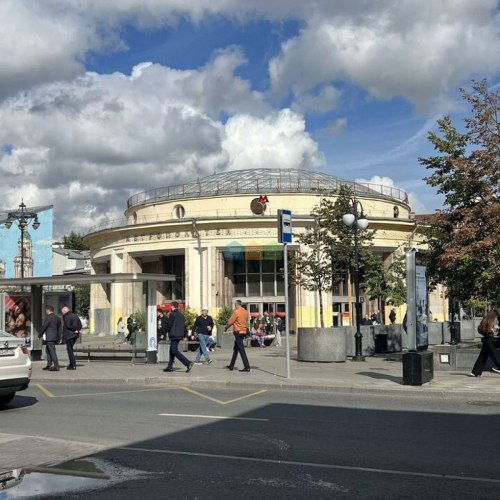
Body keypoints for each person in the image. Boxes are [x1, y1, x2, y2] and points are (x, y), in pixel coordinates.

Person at [163, 302, 194, 373]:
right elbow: (185, 326)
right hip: (179, 335)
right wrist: (185, 335)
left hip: (174, 335)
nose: (170, 307)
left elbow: (169, 325)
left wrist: (163, 333)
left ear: (172, 306)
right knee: (172, 350)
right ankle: (169, 367)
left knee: (174, 351)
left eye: (171, 306)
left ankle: (188, 363)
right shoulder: (181, 315)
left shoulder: (172, 314)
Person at [470, 310, 500, 377]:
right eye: (496, 316)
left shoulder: (485, 320)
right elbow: (489, 331)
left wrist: (494, 329)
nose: (496, 318)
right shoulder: (490, 321)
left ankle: (476, 372)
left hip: (486, 340)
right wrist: (495, 329)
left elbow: (483, 330)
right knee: (494, 354)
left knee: (483, 356)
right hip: (489, 340)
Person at [225, 300, 250, 372]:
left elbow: (230, 321)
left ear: (237, 304)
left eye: (235, 305)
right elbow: (245, 321)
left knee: (242, 350)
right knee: (236, 349)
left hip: (238, 332)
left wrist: (226, 327)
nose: (235, 306)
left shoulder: (236, 312)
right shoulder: (245, 312)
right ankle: (231, 365)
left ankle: (247, 367)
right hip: (243, 331)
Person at [38, 305, 61, 371]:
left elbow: (44, 327)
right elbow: (60, 329)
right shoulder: (57, 318)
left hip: (50, 337)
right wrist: (59, 338)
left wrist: (39, 335)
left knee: (52, 351)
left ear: (48, 310)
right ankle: (49, 365)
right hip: (54, 336)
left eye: (46, 310)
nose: (45, 311)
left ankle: (56, 366)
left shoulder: (48, 318)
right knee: (48, 350)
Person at [61, 306, 82, 371]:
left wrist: (75, 329)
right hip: (75, 335)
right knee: (70, 349)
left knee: (70, 350)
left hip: (69, 335)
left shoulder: (66, 316)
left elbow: (69, 325)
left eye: (62, 312)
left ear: (64, 311)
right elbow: (80, 325)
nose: (62, 314)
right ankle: (71, 364)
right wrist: (77, 330)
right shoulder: (75, 316)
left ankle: (73, 365)